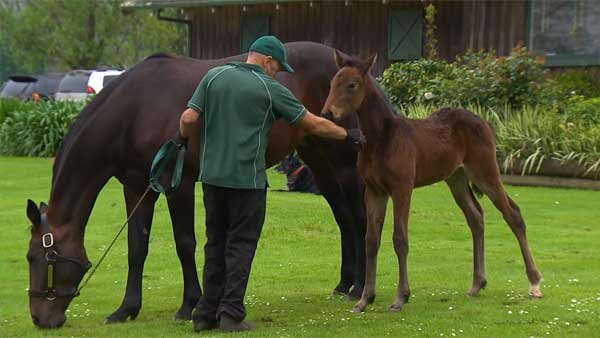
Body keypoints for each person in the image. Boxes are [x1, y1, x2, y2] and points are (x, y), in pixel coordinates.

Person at [174, 36, 365, 332]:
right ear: (266, 61)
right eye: (277, 67)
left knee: (216, 244)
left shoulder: (214, 76)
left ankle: (205, 314)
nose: (278, 72)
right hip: (246, 181)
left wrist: (183, 138)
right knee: (240, 246)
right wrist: (346, 135)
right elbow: (313, 124)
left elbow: (188, 117)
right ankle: (231, 314)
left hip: (211, 180)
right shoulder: (269, 88)